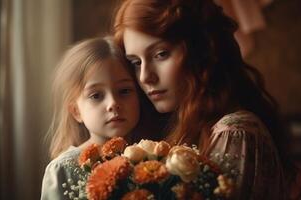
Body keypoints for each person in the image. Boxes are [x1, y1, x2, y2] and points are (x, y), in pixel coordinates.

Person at [112, 0, 298, 199]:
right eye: (136, 62)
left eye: (161, 54)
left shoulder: (235, 132)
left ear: (200, 51)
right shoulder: (186, 126)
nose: (145, 77)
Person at [40, 37, 140, 199]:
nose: (113, 104)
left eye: (124, 91)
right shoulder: (64, 169)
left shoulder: (153, 161)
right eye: (96, 96)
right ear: (76, 111)